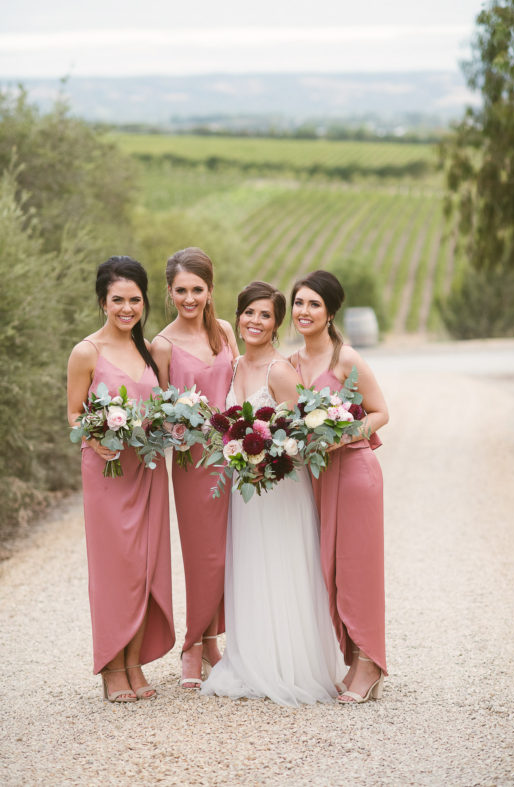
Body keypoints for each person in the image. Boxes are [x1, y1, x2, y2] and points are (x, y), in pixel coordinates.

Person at [201, 281, 343, 707]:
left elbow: (303, 434)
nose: (255, 321)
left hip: (280, 487)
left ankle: (289, 667)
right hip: (246, 492)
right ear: (239, 316)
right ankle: (250, 660)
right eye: (249, 312)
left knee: (282, 566)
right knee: (251, 567)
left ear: (276, 324)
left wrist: (269, 454)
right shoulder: (234, 366)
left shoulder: (279, 371)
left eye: (265, 315)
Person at [67, 256, 175, 702]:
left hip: (148, 470)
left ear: (144, 300)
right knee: (115, 568)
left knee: (146, 564)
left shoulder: (150, 349)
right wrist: (95, 441)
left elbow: (164, 406)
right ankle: (112, 666)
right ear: (102, 302)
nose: (127, 308)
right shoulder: (86, 352)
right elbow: (74, 415)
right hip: (108, 471)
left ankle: (134, 663)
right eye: (118, 300)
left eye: (135, 299)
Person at [290, 269, 389, 704]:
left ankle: (370, 663)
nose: (304, 311)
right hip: (318, 478)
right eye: (298, 303)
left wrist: (345, 434)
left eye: (314, 304)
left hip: (353, 473)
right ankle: (351, 658)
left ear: (330, 312)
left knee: (358, 569)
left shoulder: (345, 359)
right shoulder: (292, 364)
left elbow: (381, 411)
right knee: (330, 570)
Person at [151, 247, 239, 689]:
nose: (190, 298)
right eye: (181, 290)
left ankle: (210, 642)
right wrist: (177, 427)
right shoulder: (161, 345)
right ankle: (191, 646)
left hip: (235, 456)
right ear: (169, 292)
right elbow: (161, 409)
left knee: (229, 552)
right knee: (202, 553)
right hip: (191, 462)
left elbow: (240, 386)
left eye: (197, 290)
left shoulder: (224, 331)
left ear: (209, 289)